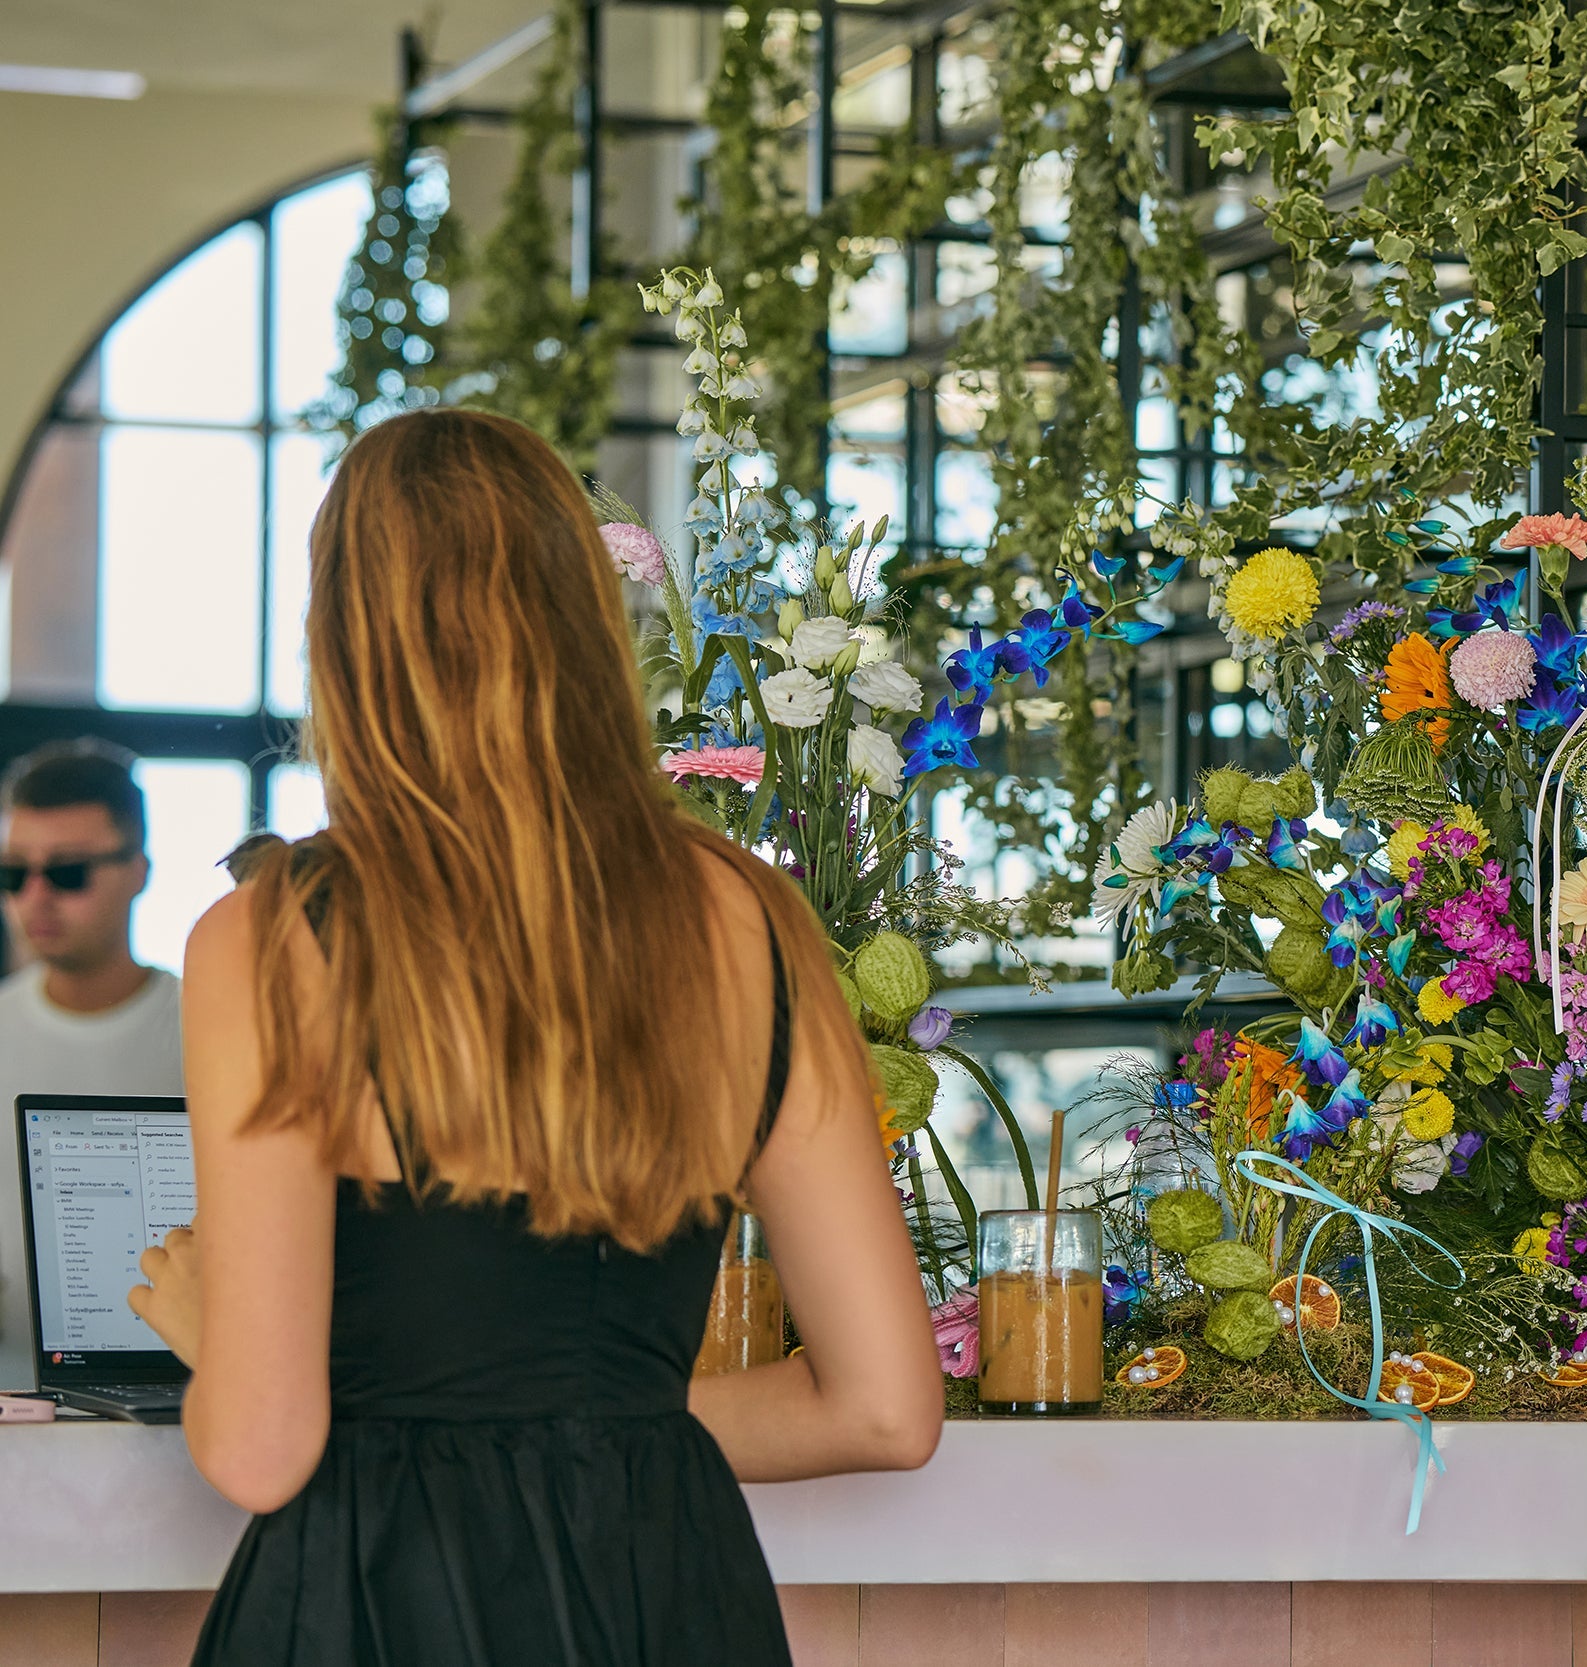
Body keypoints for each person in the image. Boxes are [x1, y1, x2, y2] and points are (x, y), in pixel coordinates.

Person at [127, 409, 942, 1665]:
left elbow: (259, 1445)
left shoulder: (271, 934)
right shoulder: (754, 917)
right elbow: (886, 1408)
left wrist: (206, 1332)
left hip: (376, 1603)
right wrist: (595, 1423)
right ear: (584, 617)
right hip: (666, 1591)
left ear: (344, 638)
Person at [0, 741, 184, 1391]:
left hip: (177, 1404)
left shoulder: (211, 1033)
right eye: (14, 873)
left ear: (139, 870)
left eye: (68, 871)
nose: (36, 896)